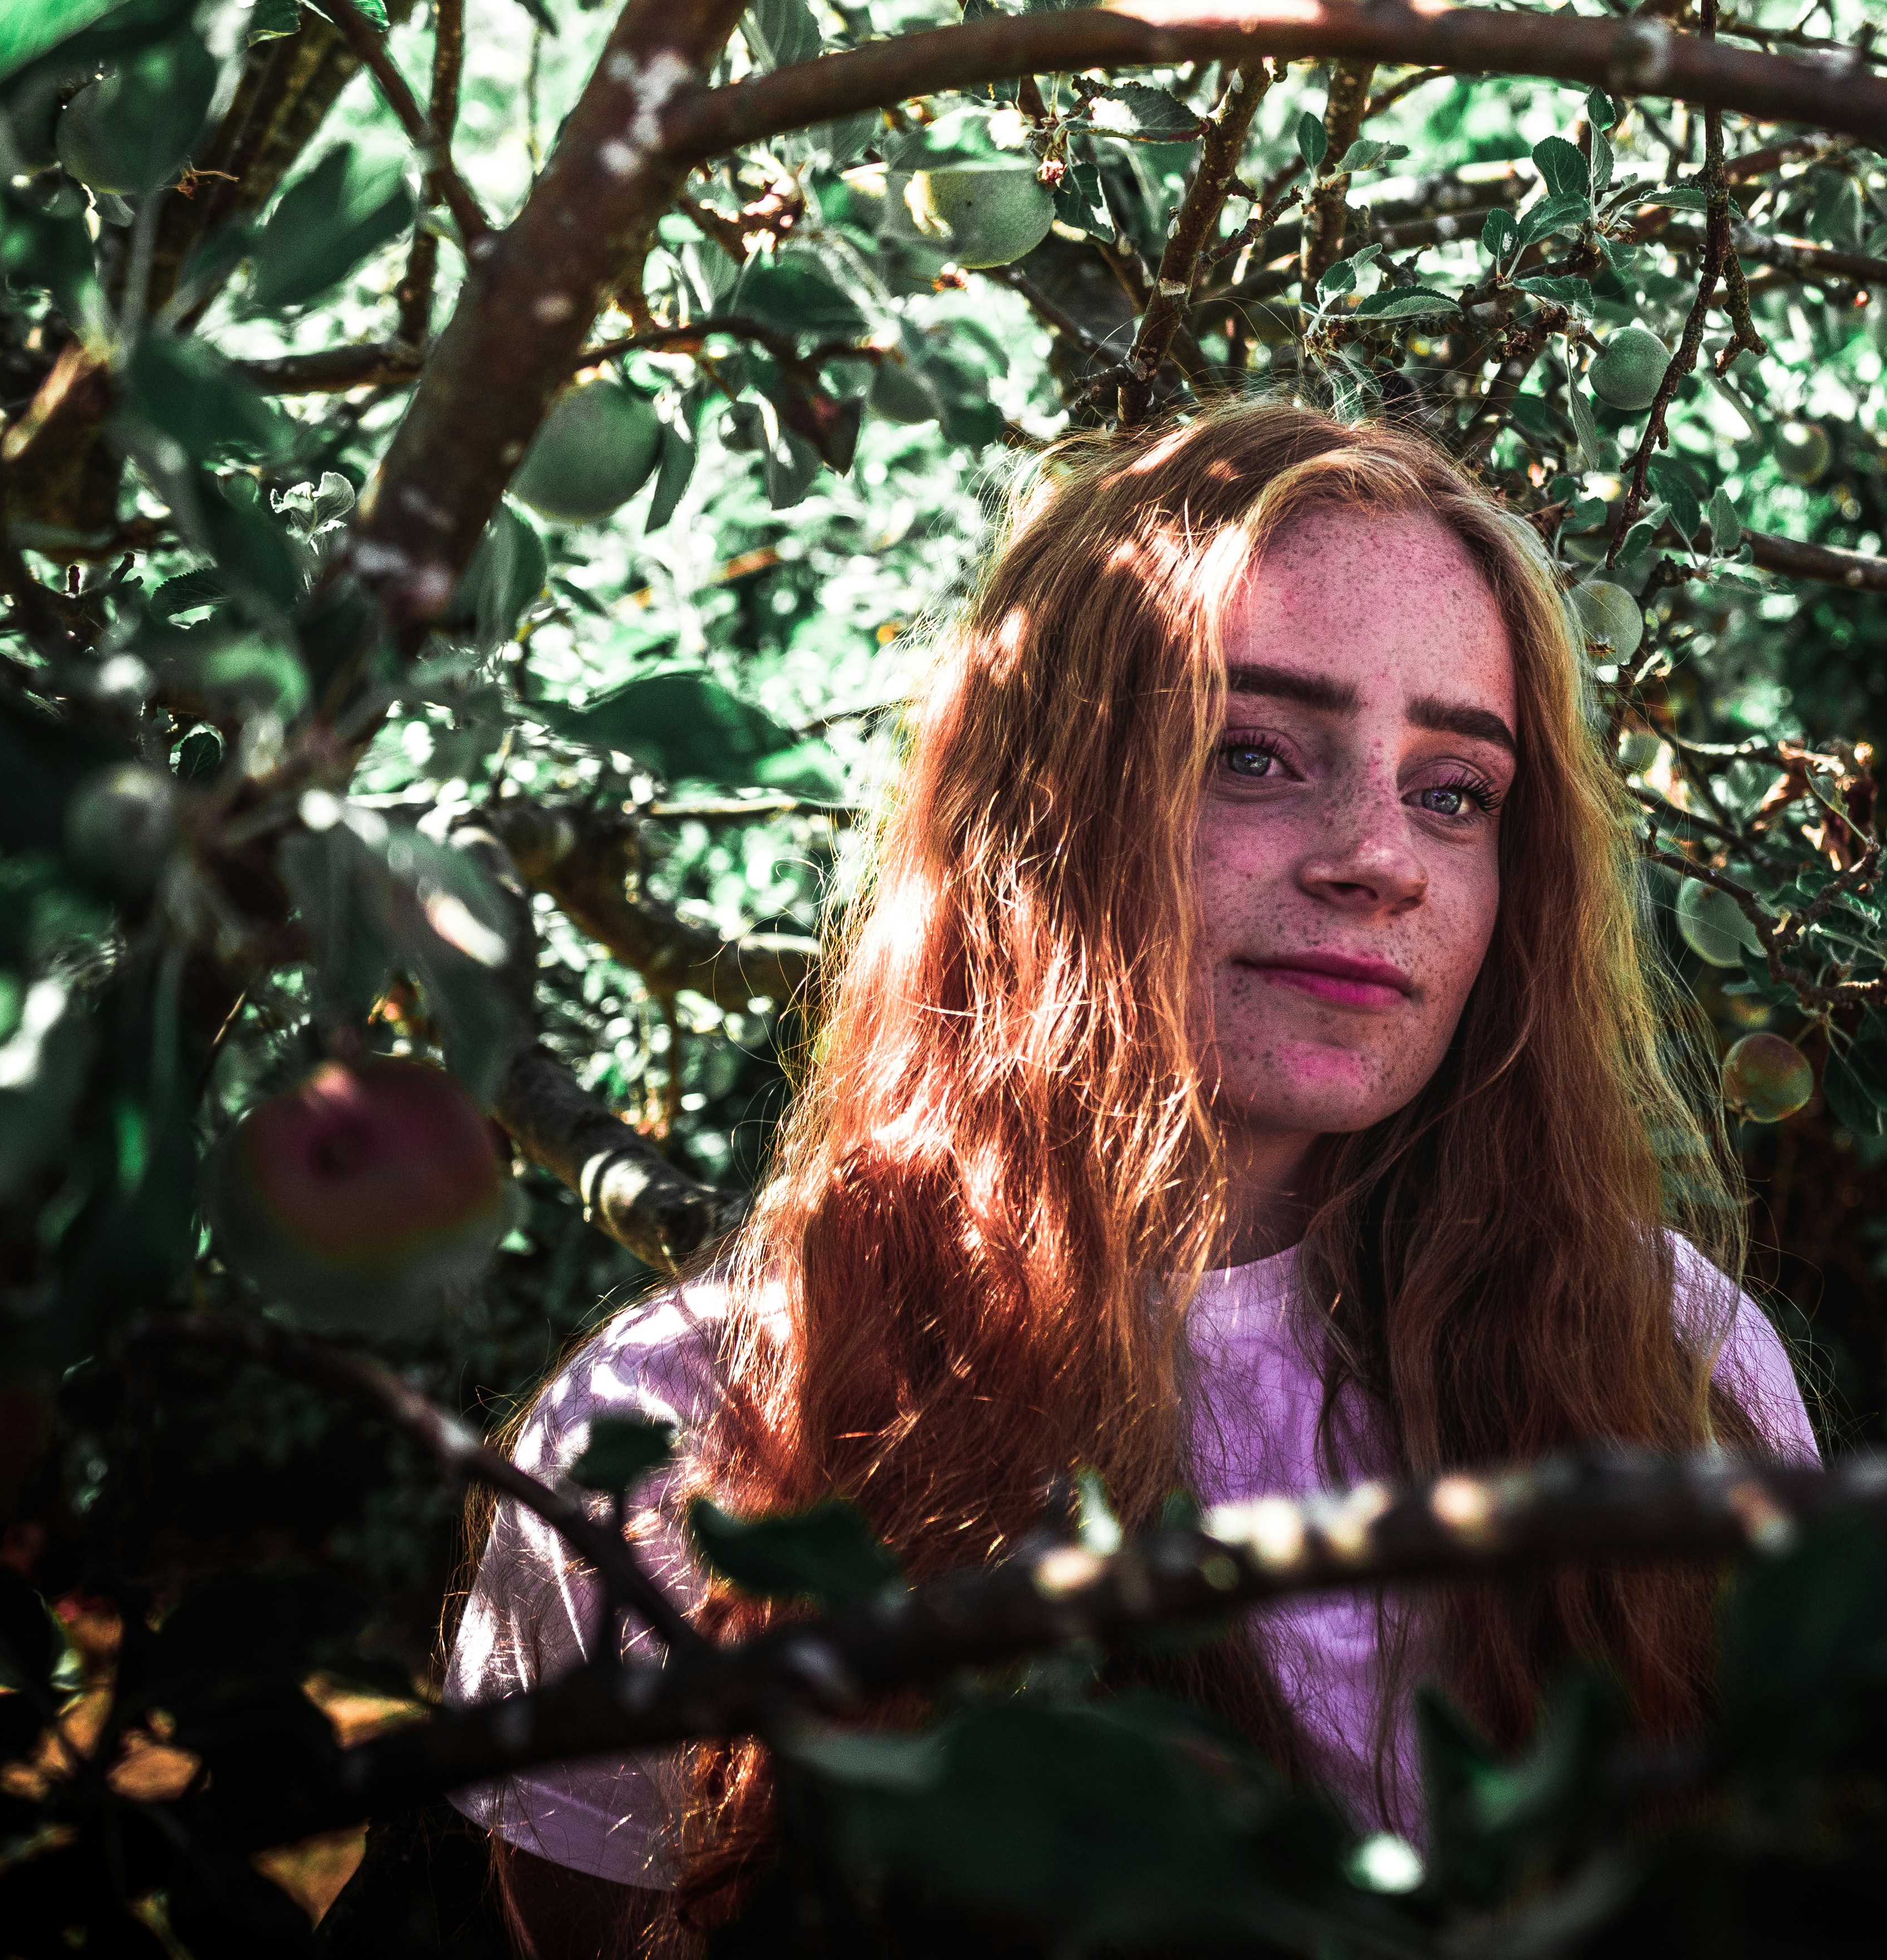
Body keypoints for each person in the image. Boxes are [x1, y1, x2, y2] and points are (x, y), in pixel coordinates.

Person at [445, 401, 1818, 1956]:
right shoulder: (701, 1420)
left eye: (1456, 789)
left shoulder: (1671, 1362)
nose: (1382, 854)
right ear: (1047, 809)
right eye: (1253, 753)